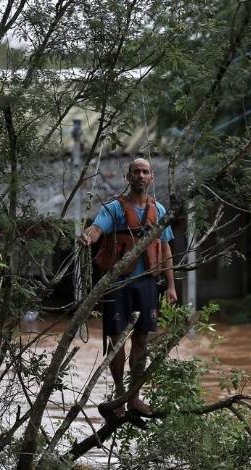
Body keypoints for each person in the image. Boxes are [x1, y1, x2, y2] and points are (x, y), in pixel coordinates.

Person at [78, 158, 177, 421]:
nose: (141, 176)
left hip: (146, 283)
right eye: (136, 172)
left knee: (142, 339)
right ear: (129, 177)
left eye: (145, 172)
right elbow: (97, 229)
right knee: (117, 341)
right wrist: (88, 236)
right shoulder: (114, 209)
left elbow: (165, 249)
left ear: (151, 178)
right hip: (117, 284)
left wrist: (170, 286)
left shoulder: (160, 210)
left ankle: (134, 396)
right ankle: (120, 396)